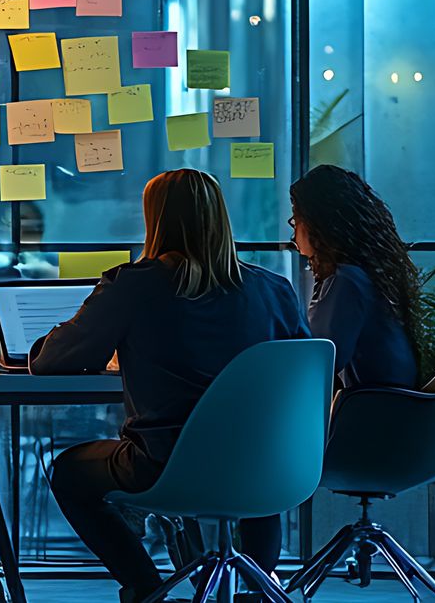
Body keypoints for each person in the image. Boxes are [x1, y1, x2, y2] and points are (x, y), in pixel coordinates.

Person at [29, 169, 309, 603]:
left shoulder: (135, 284)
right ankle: (256, 589)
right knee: (252, 451)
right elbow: (298, 376)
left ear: (155, 219)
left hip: (166, 465)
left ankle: (146, 588)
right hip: (271, 465)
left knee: (68, 472)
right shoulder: (275, 290)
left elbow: (54, 360)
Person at [290, 164, 419, 388]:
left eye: (295, 220)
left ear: (317, 224)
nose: (293, 233)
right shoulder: (364, 273)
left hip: (375, 402)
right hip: (394, 397)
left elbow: (322, 360)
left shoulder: (346, 280)